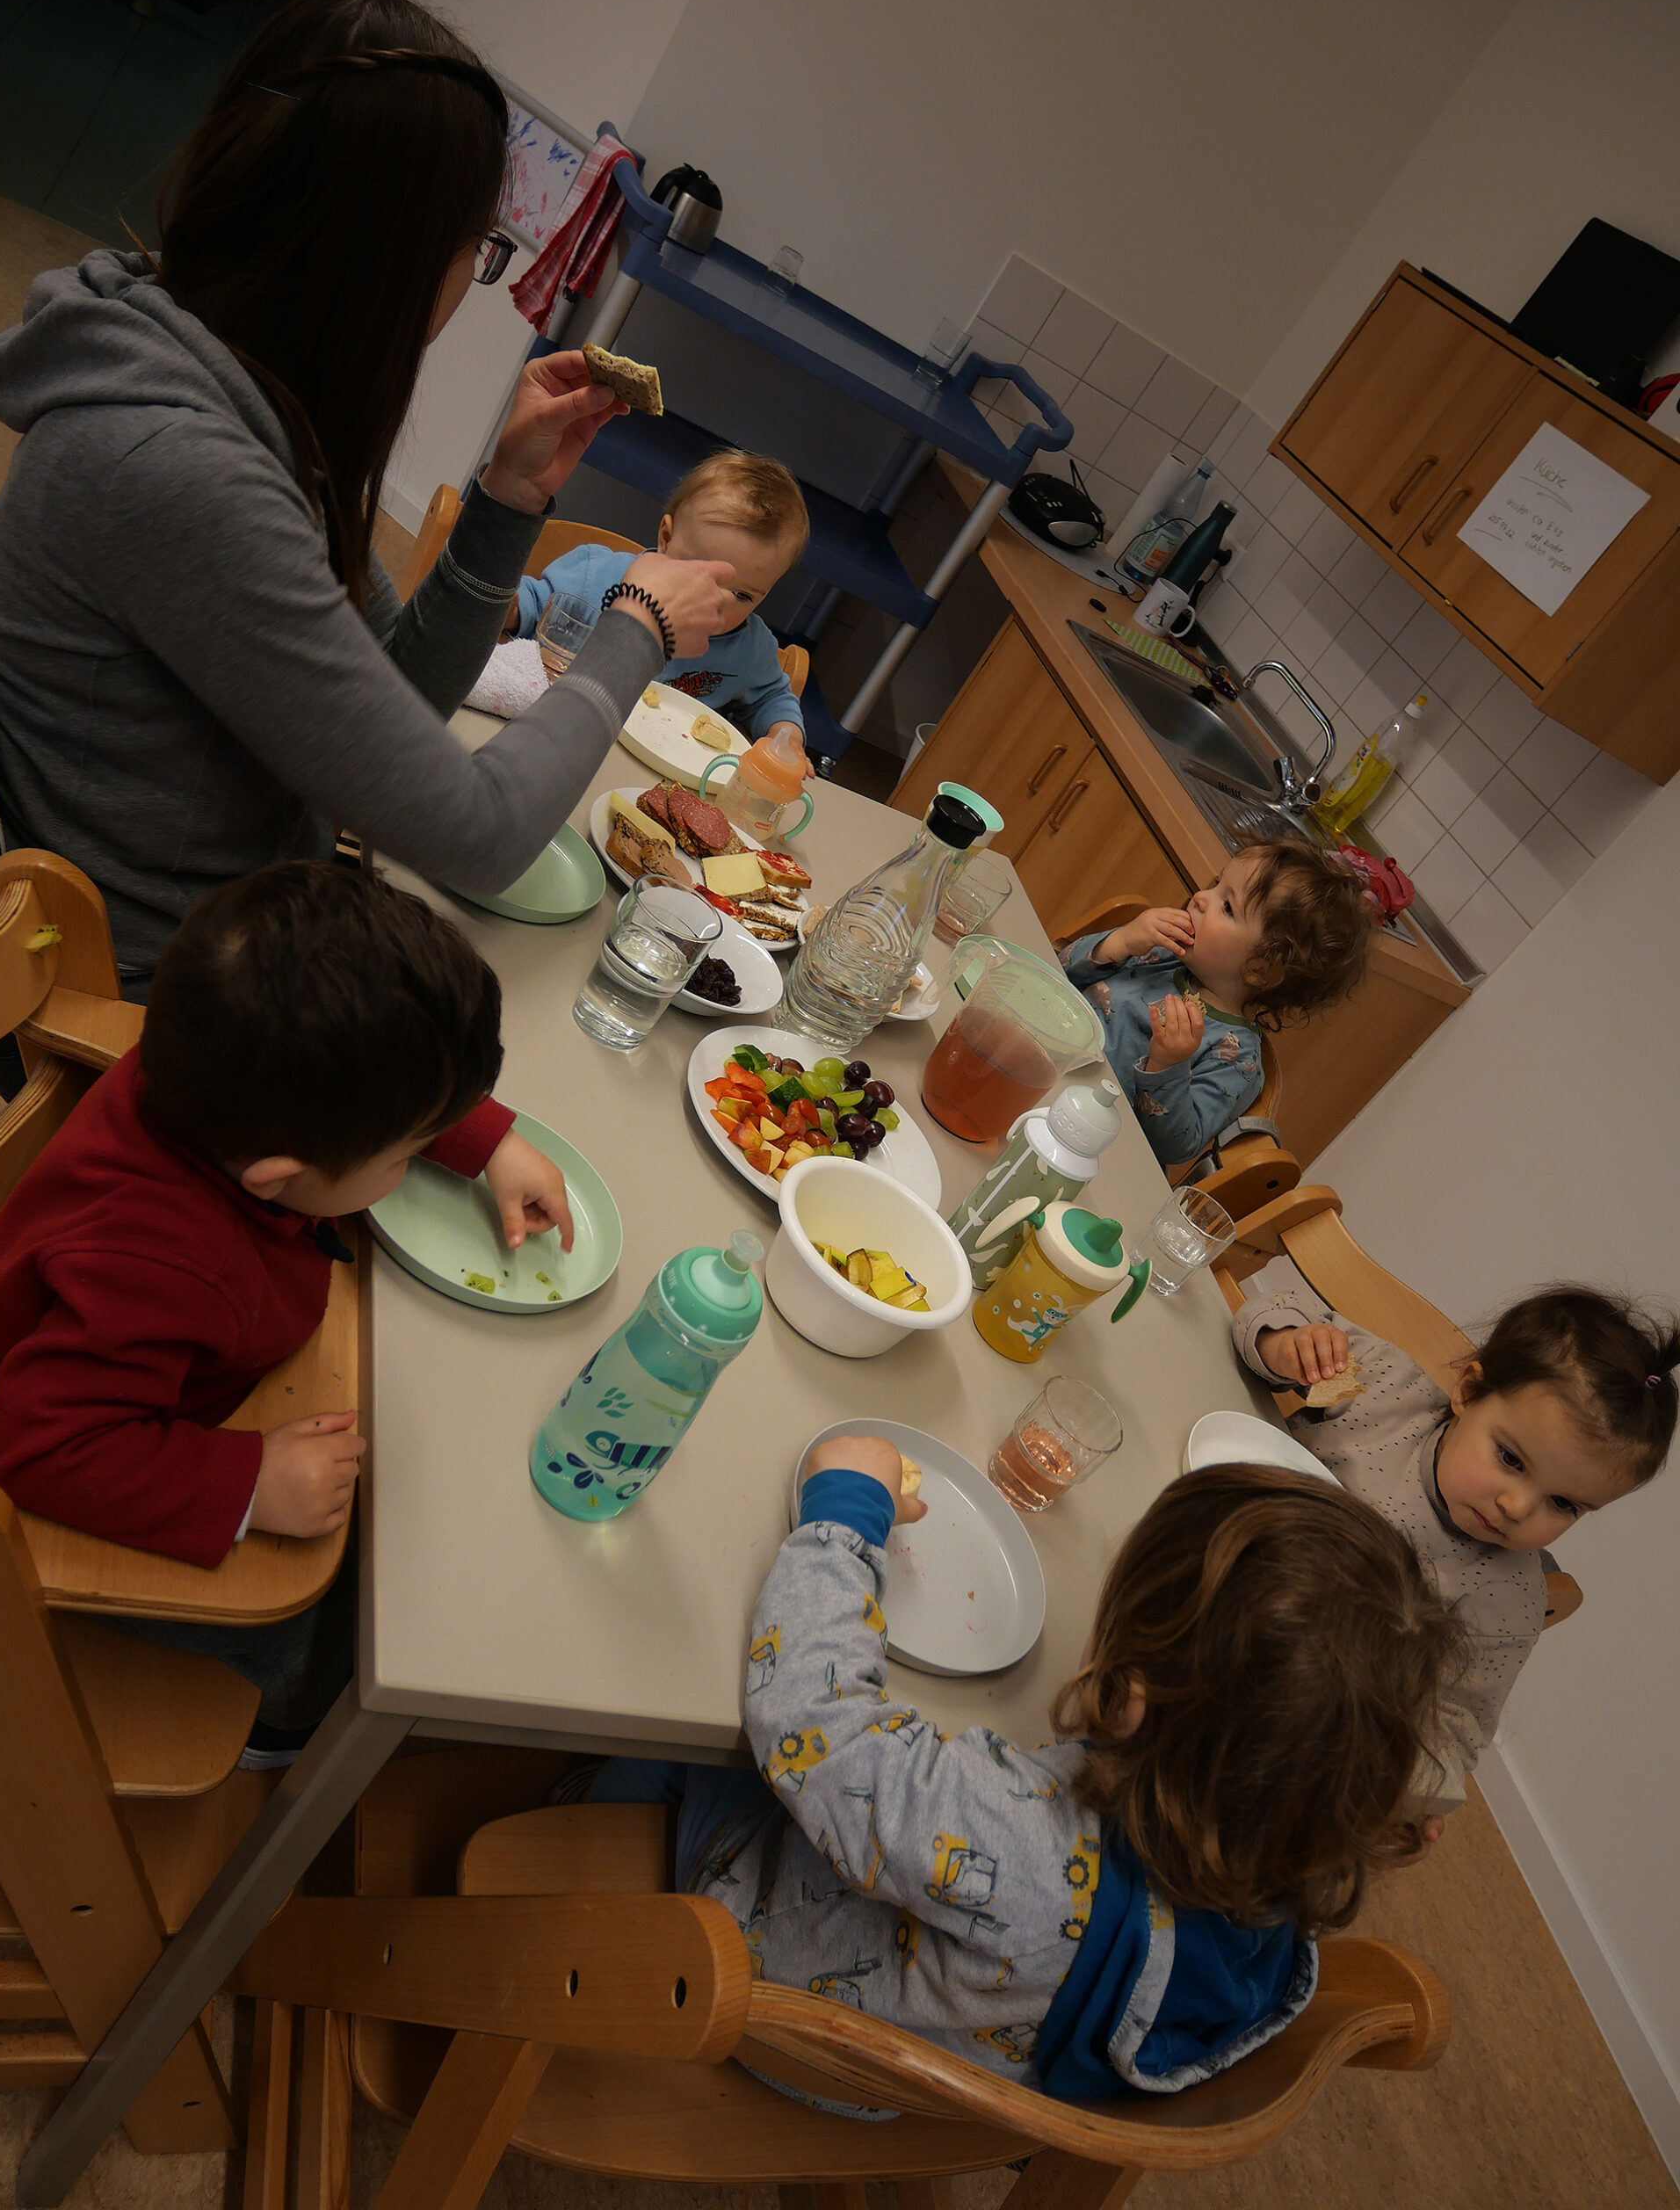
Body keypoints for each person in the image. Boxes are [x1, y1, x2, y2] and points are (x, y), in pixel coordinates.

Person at [0, 0, 736, 1000]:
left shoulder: (230, 377)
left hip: (241, 925)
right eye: (477, 249)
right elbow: (478, 834)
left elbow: (397, 696)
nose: (467, 279)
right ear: (387, 260)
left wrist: (509, 500)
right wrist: (638, 621)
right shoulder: (180, 468)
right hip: (146, 1005)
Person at [572, 1442, 1464, 2099]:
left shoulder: (1018, 1840)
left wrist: (844, 1515)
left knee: (677, 1723)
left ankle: (567, 1871)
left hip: (767, 1994)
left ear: (1134, 1699)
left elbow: (813, 1725)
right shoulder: (1282, 1860)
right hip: (928, 2077)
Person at [0, 859, 556, 1757]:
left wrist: (486, 1141)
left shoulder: (216, 1064)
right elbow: (39, 1442)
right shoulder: (161, 1267)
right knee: (325, 1619)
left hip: (159, 1357)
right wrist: (249, 1485)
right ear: (280, 1176)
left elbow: (356, 1071)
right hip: (95, 1459)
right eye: (405, 1151)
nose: (410, 1160)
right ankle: (278, 1730)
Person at [1232, 1283, 1677, 1828]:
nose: (1517, 1507)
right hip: (1215, 1534)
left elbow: (1456, 1729)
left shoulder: (1508, 1604)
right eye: (1511, 1459)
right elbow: (1273, 1311)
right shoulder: (1382, 1388)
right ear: (1468, 1391)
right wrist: (1288, 1344)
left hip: (1274, 1695)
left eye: (1563, 1504)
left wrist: (1409, 1795)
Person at [1058, 839, 1371, 1166]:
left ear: (1259, 970)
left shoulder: (1236, 1058)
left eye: (1228, 907)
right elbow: (1062, 972)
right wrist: (1119, 942)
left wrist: (1168, 1066)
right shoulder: (1162, 953)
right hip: (1052, 1059)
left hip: (1090, 1146)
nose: (1201, 897)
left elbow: (1174, 1148)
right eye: (1217, 883)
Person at [513, 449, 813, 772]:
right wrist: (508, 606)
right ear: (667, 539)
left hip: (657, 777)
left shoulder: (750, 650)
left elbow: (772, 698)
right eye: (701, 575)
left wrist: (786, 736)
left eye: (742, 595)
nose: (716, 602)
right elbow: (528, 607)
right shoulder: (595, 576)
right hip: (554, 745)